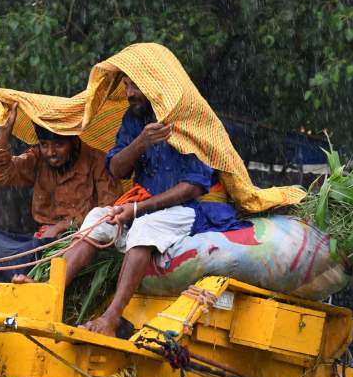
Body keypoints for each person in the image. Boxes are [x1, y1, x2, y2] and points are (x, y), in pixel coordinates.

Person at [57, 74, 249, 335]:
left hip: (189, 209)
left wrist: (137, 210)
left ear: (156, 86)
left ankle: (111, 318)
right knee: (98, 218)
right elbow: (116, 169)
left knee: (145, 226)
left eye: (135, 86)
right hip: (141, 206)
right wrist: (140, 143)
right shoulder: (134, 118)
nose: (129, 94)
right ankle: (49, 291)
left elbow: (192, 187)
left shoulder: (188, 120)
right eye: (126, 86)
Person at [0, 103, 120, 281]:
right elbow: (2, 174)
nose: (50, 152)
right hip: (38, 242)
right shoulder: (38, 157)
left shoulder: (98, 161)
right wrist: (4, 132)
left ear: (73, 140)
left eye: (58, 145)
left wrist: (64, 226)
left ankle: (27, 282)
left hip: (75, 244)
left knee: (32, 252)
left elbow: (111, 213)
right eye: (44, 145)